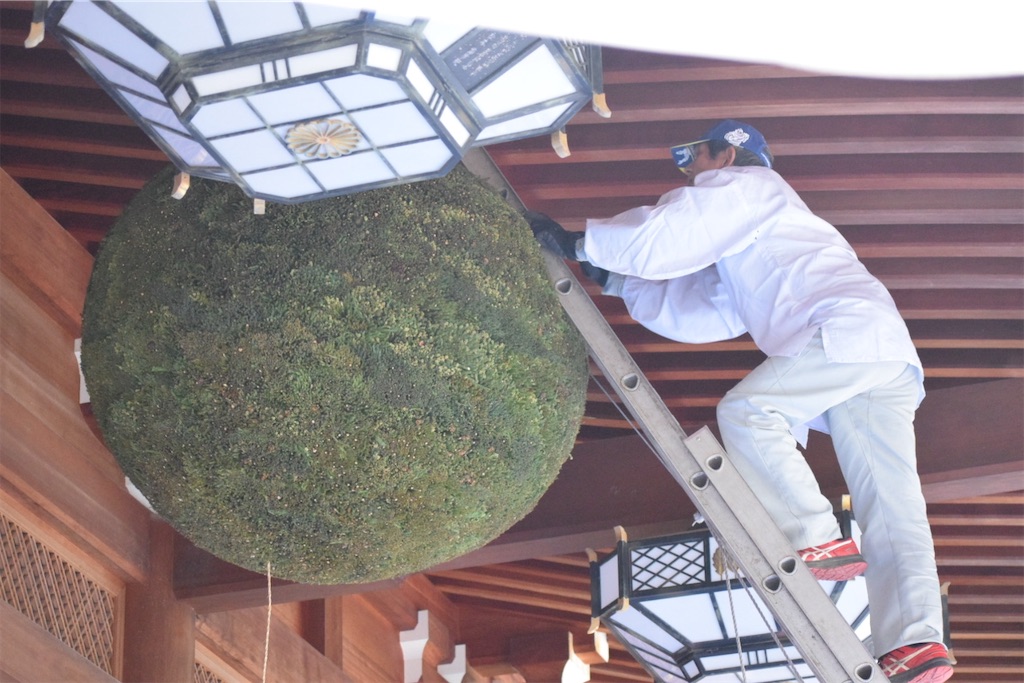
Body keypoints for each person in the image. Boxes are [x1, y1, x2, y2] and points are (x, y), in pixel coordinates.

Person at [528, 120, 953, 683]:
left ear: (727, 154)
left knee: (748, 413)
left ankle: (815, 536)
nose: (690, 174)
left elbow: (675, 230)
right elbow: (708, 309)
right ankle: (918, 641)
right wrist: (614, 276)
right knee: (892, 503)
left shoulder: (752, 187)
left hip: (845, 334)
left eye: (695, 161)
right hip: (881, 356)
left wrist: (583, 243)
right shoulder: (763, 228)